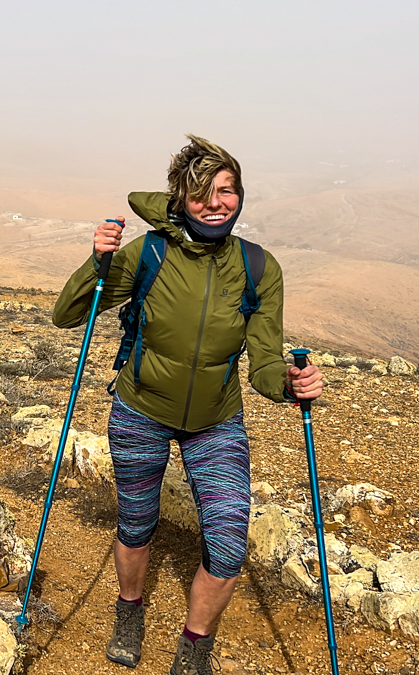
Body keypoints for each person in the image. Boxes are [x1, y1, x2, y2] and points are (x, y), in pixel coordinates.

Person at [52, 135, 323, 673]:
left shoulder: (258, 267)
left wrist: (289, 384)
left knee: (226, 546)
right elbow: (68, 314)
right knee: (136, 522)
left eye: (227, 190)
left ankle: (194, 646)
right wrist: (97, 262)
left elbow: (265, 361)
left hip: (216, 421)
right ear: (180, 198)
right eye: (202, 193)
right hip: (139, 411)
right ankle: (130, 610)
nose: (217, 203)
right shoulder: (150, 252)